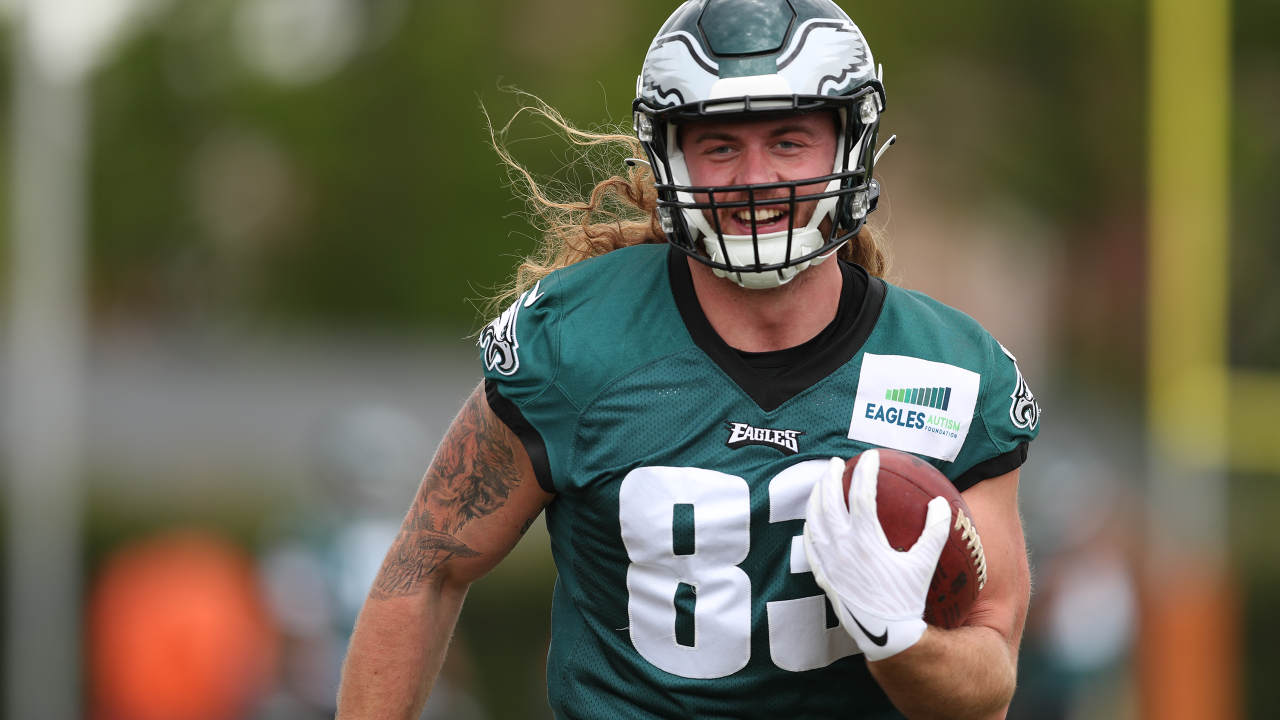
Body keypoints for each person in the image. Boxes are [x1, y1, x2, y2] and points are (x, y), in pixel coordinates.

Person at [337, 1, 1041, 718]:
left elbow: (986, 686)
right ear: (670, 157)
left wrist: (899, 639)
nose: (756, 177)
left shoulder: (953, 375)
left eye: (790, 139)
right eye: (720, 144)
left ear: (849, 144)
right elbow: (424, 570)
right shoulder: (577, 342)